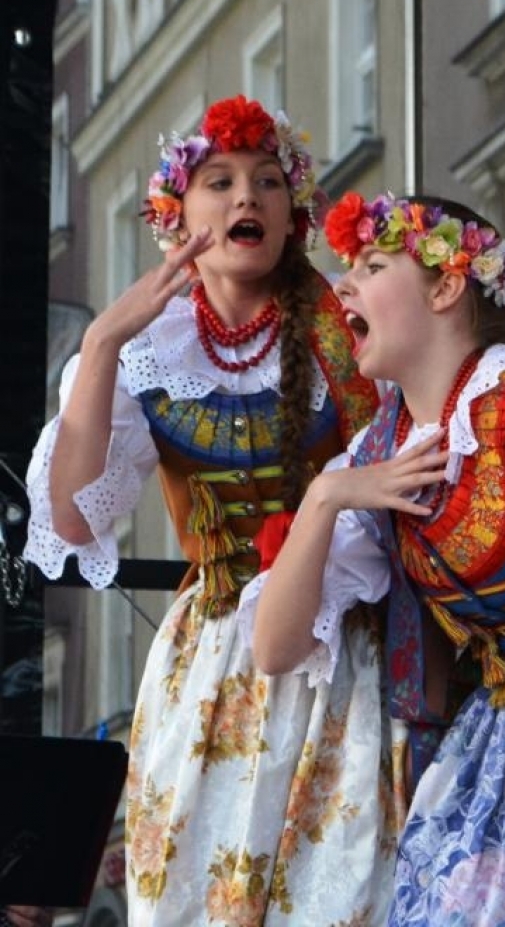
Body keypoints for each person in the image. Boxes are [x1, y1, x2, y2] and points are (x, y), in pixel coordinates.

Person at [24, 97, 400, 925]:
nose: (246, 199)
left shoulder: (346, 324)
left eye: (268, 181)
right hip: (212, 660)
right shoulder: (151, 345)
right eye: (220, 181)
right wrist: (100, 346)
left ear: (291, 211)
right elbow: (75, 519)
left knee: (336, 888)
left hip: (340, 646)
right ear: (178, 213)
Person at [248, 193, 505, 925]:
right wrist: (326, 497)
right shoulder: (381, 449)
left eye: (372, 264)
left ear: (446, 285)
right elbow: (275, 647)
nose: (343, 287)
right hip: (496, 733)